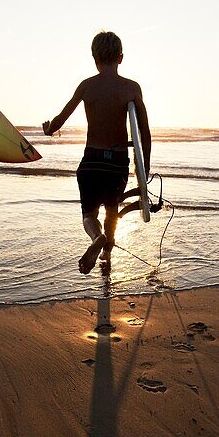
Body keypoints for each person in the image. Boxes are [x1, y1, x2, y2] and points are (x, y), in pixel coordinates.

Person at [42, 31, 152, 274]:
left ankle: (96, 238)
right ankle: (107, 252)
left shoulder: (86, 86)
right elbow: (144, 132)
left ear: (94, 58)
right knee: (112, 209)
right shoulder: (131, 88)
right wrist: (145, 168)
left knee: (89, 214)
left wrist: (49, 129)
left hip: (91, 160)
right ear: (121, 58)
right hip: (117, 162)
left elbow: (60, 120)